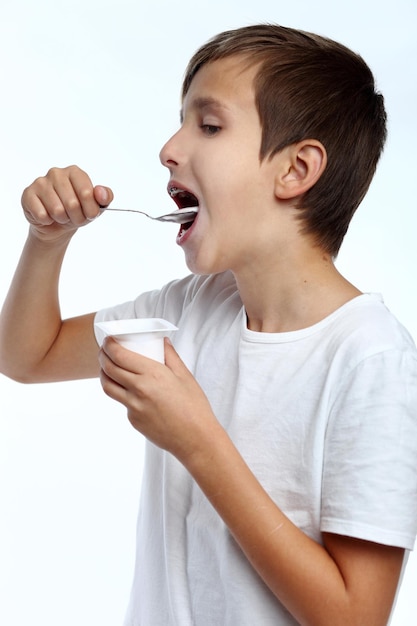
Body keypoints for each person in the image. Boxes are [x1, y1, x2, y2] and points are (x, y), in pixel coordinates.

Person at [0, 23, 416, 626]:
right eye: (181, 121)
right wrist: (46, 242)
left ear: (296, 170)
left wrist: (198, 443)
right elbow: (25, 357)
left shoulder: (370, 358)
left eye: (209, 125)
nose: (170, 147)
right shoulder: (191, 310)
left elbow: (354, 618)